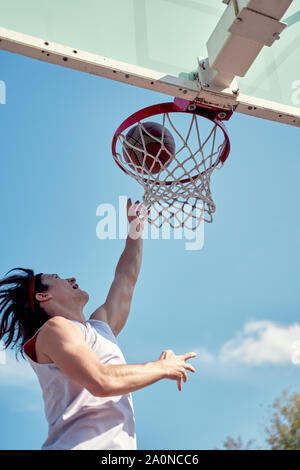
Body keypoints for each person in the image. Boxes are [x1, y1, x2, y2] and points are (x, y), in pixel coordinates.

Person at [0, 198, 196, 450]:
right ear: (43, 296)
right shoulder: (54, 330)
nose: (71, 278)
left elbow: (126, 278)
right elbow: (101, 381)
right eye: (57, 277)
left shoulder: (100, 327)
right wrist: (161, 367)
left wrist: (135, 229)